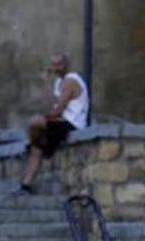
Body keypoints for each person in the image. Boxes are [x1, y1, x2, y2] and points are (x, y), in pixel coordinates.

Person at [16, 53, 89, 194]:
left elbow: (58, 110)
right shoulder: (58, 83)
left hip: (72, 124)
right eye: (53, 65)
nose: (56, 68)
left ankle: (36, 142)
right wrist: (46, 84)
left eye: (59, 64)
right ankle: (26, 185)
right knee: (36, 149)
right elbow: (51, 106)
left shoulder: (71, 81)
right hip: (59, 121)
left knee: (35, 122)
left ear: (66, 65)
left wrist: (49, 117)